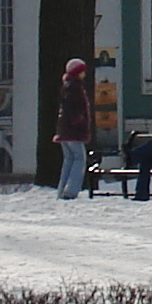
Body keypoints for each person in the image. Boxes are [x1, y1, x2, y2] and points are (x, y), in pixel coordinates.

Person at [54, 57, 92, 200]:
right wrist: (79, 120)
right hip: (73, 131)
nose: (84, 74)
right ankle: (71, 191)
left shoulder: (67, 86)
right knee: (79, 159)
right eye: (82, 71)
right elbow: (75, 109)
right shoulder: (75, 87)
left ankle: (61, 190)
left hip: (64, 130)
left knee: (68, 160)